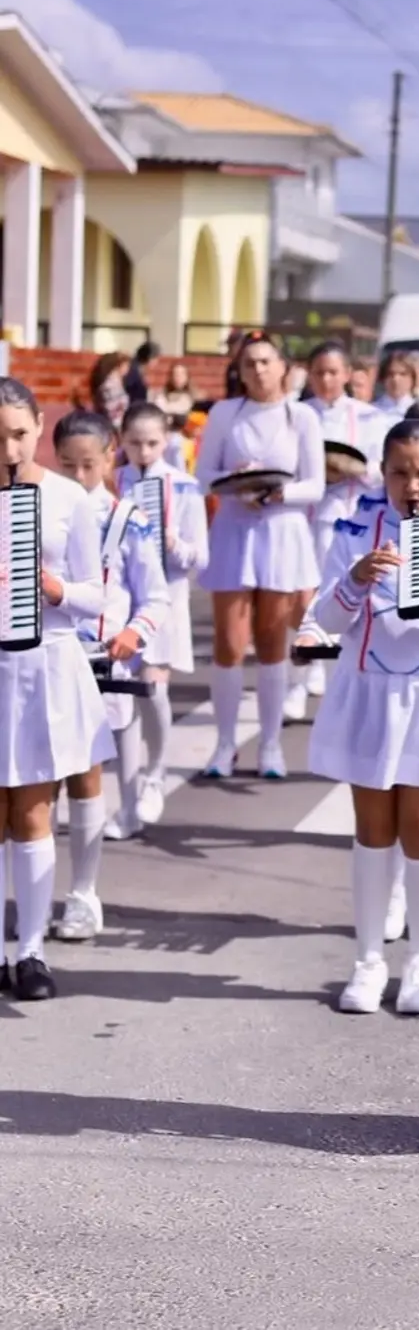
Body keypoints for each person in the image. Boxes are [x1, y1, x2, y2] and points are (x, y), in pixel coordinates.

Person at [308, 419, 419, 1016]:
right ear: (383, 474)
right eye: (400, 472)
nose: (412, 485)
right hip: (369, 693)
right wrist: (355, 580)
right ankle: (367, 962)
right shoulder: (356, 529)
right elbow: (324, 622)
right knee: (371, 829)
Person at [0, 380, 113, 999]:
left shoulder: (69, 498)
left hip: (46, 663)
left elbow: (97, 595)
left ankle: (32, 951)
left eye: (19, 433)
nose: (9, 448)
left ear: (39, 427)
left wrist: (56, 589)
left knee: (33, 811)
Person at [50, 409, 170, 935]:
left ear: (110, 457)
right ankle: (32, 895)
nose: (78, 476)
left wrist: (133, 635)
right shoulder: (41, 511)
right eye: (68, 465)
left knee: (85, 782)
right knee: (35, 789)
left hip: (102, 665)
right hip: (46, 661)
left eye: (89, 465)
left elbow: (156, 597)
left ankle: (83, 894)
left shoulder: (127, 519)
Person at [194, 331, 325, 778]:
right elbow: (203, 475)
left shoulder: (301, 416)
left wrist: (277, 493)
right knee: (230, 643)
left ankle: (270, 744)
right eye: (249, 363)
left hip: (281, 530)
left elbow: (315, 484)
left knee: (272, 643)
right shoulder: (224, 413)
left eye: (266, 361)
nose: (258, 370)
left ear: (283, 367)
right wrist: (235, 482)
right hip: (234, 527)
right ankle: (225, 743)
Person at [114, 403, 209, 827]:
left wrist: (174, 543)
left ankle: (156, 773)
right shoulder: (116, 480)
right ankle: (129, 800)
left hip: (165, 598)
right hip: (121, 599)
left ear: (167, 440)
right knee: (123, 698)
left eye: (152, 442)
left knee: (153, 690)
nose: (144, 450)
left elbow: (199, 558)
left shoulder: (185, 486)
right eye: (134, 442)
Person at [285, 341, 386, 724]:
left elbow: (380, 469)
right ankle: (297, 678)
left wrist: (353, 469)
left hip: (349, 517)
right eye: (319, 373)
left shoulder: (370, 417)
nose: (326, 380)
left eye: (333, 372)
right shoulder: (295, 414)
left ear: (347, 374)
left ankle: (335, 682)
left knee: (343, 597)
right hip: (302, 518)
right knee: (300, 597)